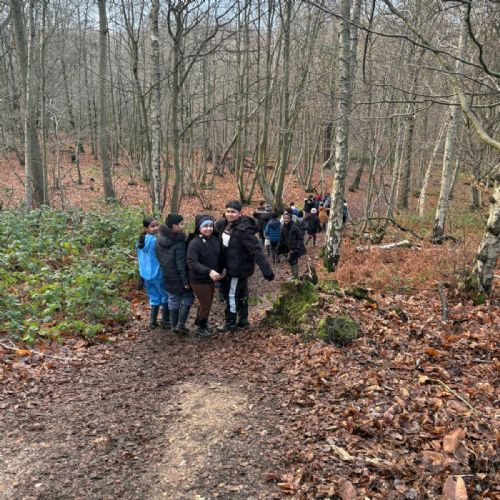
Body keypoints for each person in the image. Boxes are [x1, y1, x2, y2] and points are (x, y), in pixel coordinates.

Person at [217, 200, 275, 331]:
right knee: (242, 293)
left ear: (240, 213)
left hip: (237, 269)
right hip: (231, 267)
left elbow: (256, 251)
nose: (230, 214)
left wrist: (266, 270)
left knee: (231, 295)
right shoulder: (226, 225)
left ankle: (230, 323)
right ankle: (243, 319)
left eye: (233, 212)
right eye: (228, 211)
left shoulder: (244, 230)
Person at [156, 214, 194, 334]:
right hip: (178, 276)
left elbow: (159, 258)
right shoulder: (179, 242)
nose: (184, 226)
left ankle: (173, 325)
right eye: (181, 224)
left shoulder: (159, 239)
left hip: (167, 275)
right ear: (174, 226)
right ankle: (180, 325)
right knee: (188, 296)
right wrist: (185, 281)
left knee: (173, 298)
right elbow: (181, 264)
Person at [187, 215, 223, 337]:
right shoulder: (194, 243)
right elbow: (192, 263)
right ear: (199, 227)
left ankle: (200, 321)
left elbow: (217, 257)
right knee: (206, 303)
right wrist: (209, 271)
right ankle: (202, 328)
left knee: (207, 301)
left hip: (210, 278)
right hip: (198, 279)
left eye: (210, 226)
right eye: (205, 226)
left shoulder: (214, 239)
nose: (209, 229)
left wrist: (221, 269)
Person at [136, 217, 169, 329]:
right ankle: (165, 320)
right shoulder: (155, 241)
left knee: (154, 297)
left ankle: (153, 322)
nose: (156, 228)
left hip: (145, 275)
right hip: (158, 273)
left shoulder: (140, 241)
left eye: (157, 225)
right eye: (152, 226)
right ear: (146, 228)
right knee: (165, 295)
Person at [277, 211, 306, 279]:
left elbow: (300, 238)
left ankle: (295, 276)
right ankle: (295, 276)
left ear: (290, 219)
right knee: (292, 260)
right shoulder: (284, 227)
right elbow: (281, 239)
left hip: (296, 248)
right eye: (285, 218)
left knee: (292, 260)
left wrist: (297, 248)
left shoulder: (294, 227)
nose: (286, 220)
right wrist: (279, 249)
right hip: (290, 248)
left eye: (287, 218)